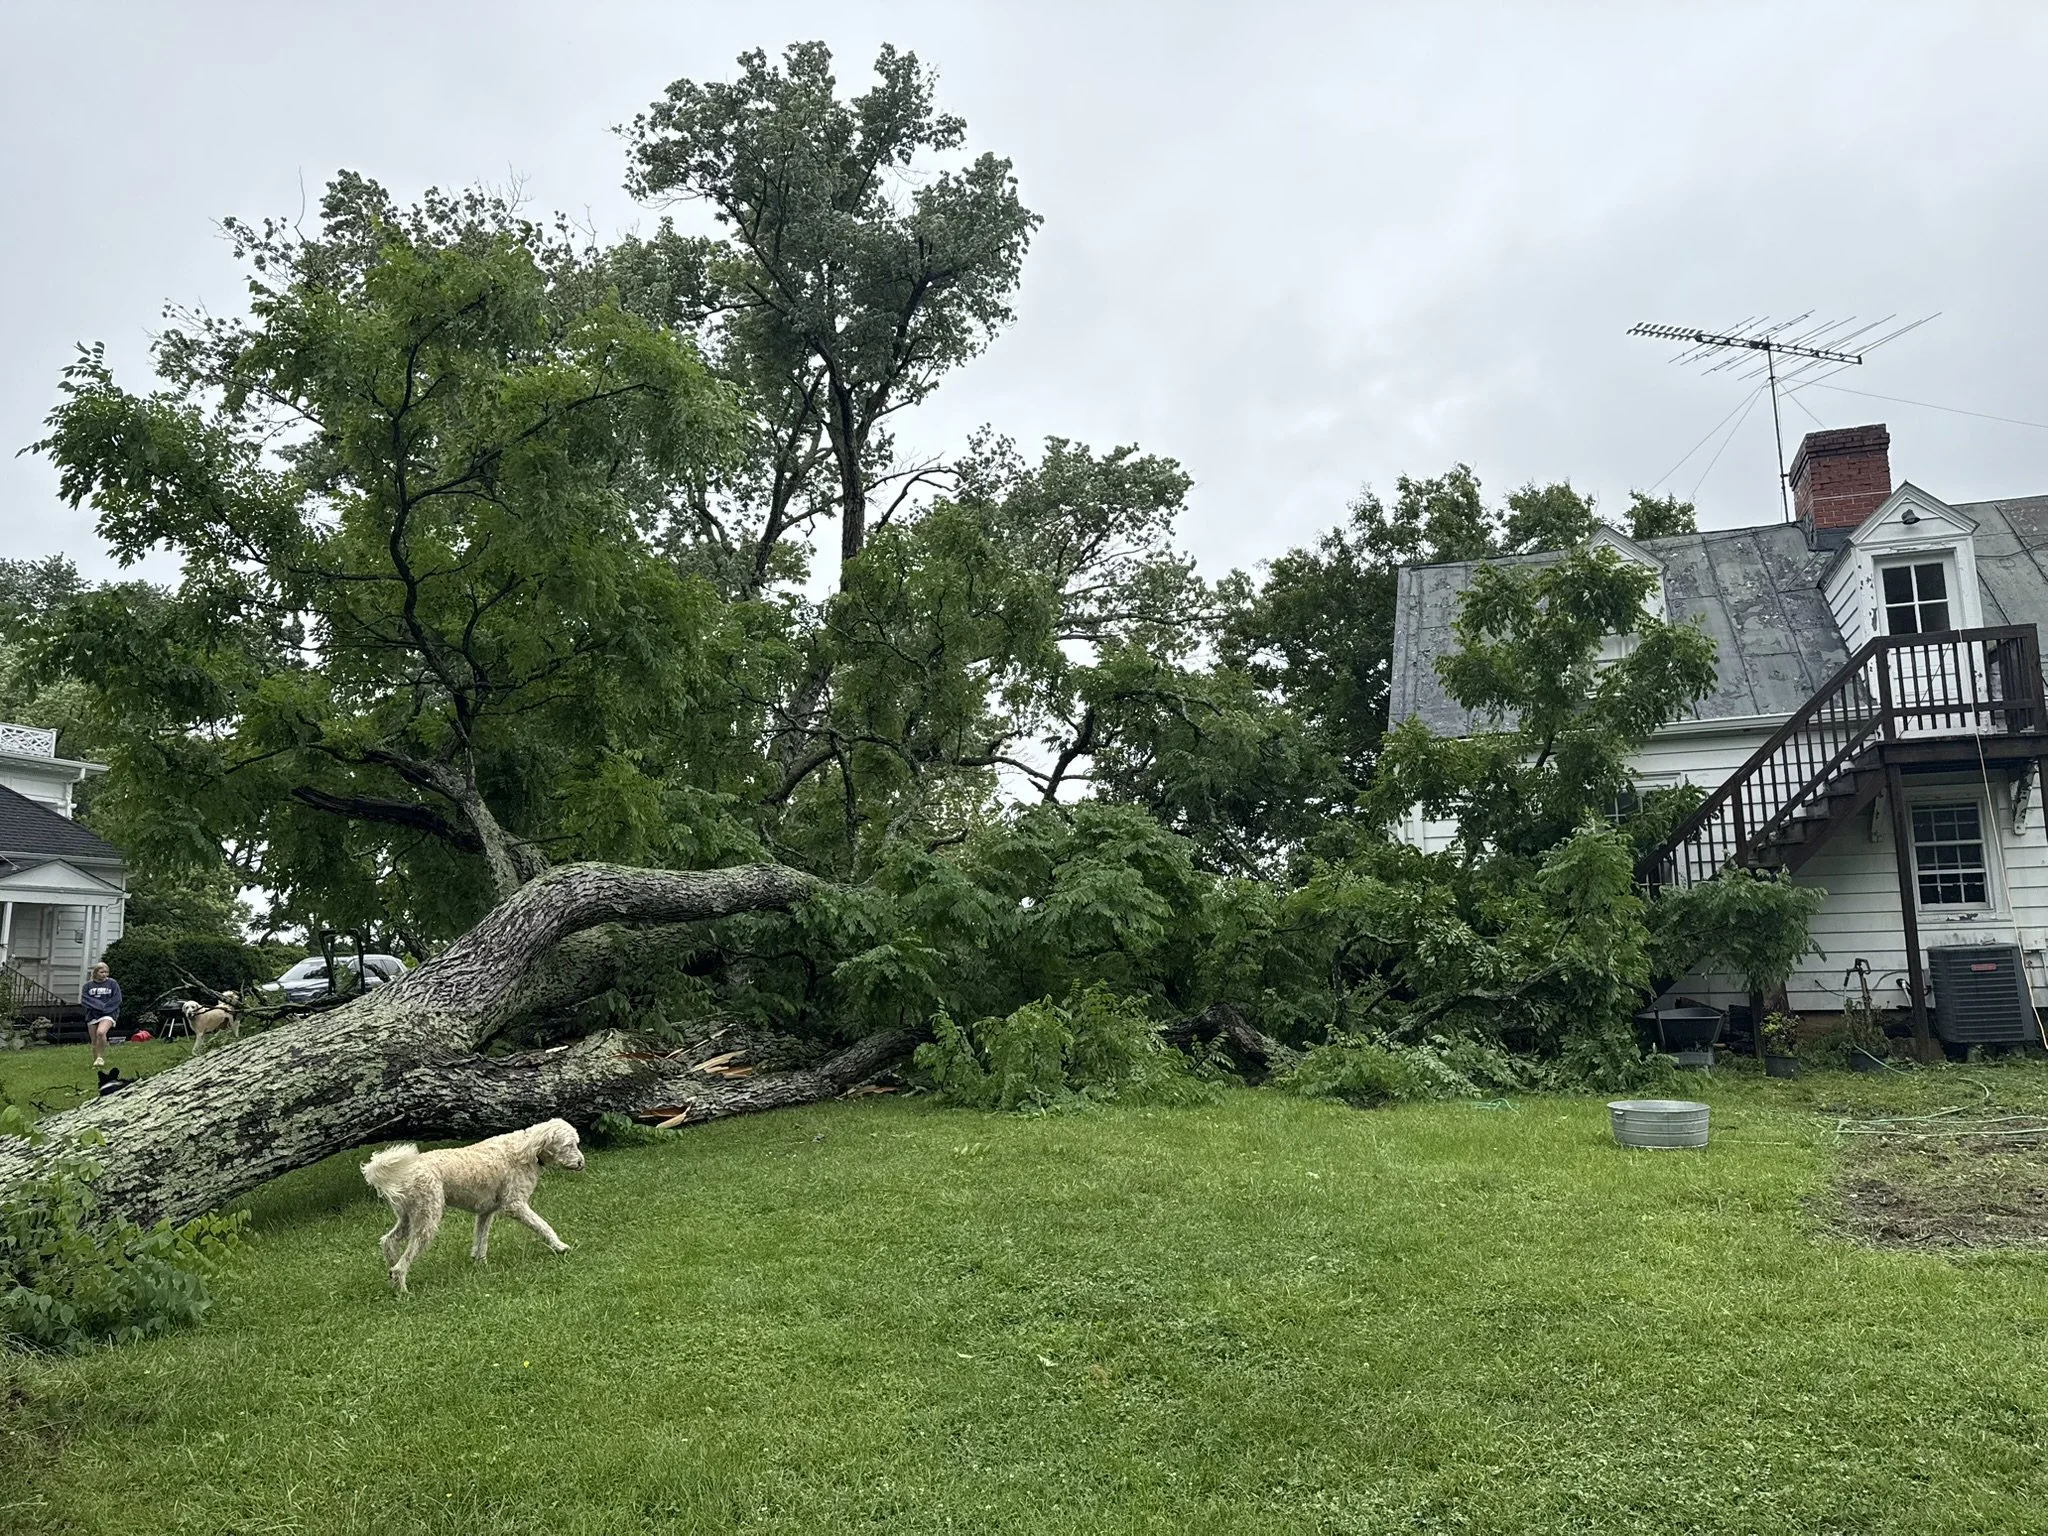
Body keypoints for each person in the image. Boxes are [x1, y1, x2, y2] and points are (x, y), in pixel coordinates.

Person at [83, 961, 123, 1068]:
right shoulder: (88, 986)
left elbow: (117, 999)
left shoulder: (112, 984)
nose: (104, 974)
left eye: (106, 972)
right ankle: (96, 1062)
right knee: (94, 1040)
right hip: (93, 1014)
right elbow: (85, 1000)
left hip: (108, 1013)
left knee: (101, 1032)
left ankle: (101, 1057)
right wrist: (98, 1006)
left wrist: (105, 1008)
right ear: (95, 973)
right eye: (102, 972)